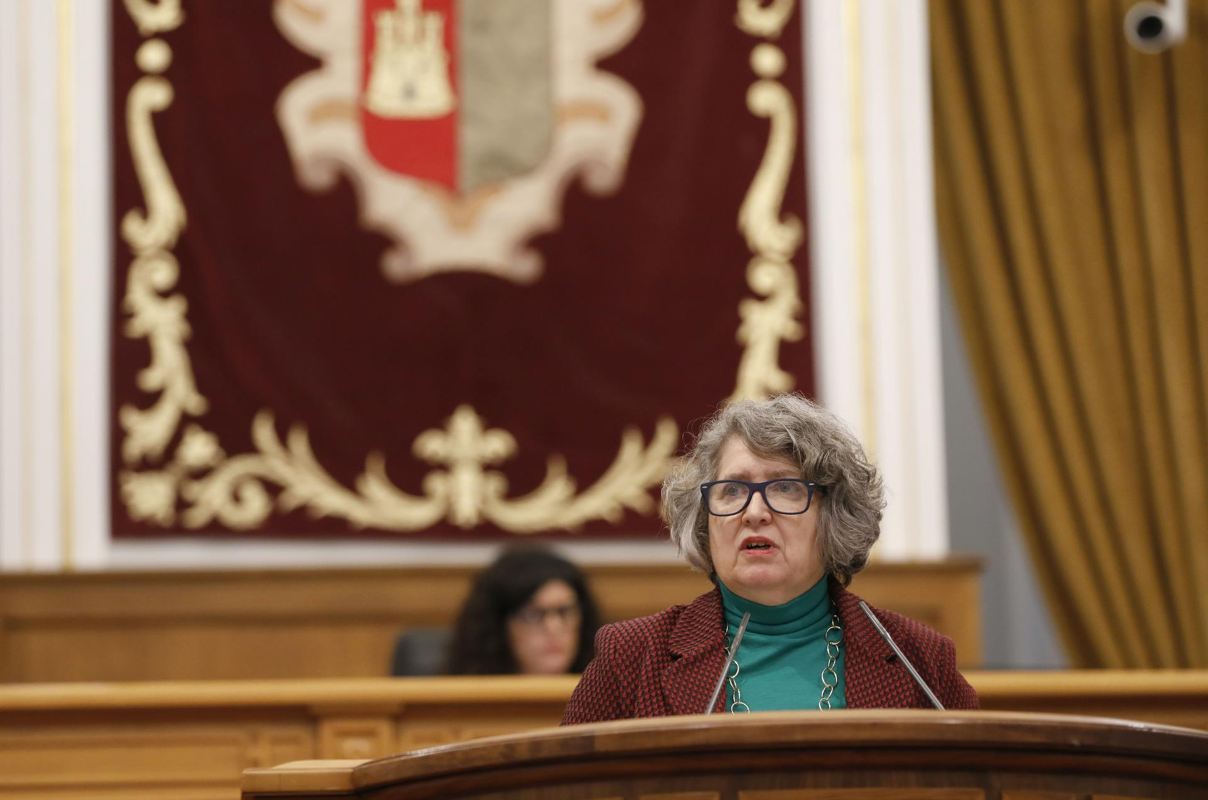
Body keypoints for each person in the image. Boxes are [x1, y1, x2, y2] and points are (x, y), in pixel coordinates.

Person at [562, 393, 978, 722]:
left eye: (785, 488)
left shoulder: (920, 658)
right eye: (732, 490)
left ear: (832, 516)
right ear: (706, 521)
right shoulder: (632, 657)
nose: (754, 511)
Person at [446, 546, 601, 675]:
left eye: (564, 611)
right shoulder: (460, 700)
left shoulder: (609, 700)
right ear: (499, 625)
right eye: (533, 615)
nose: (553, 627)